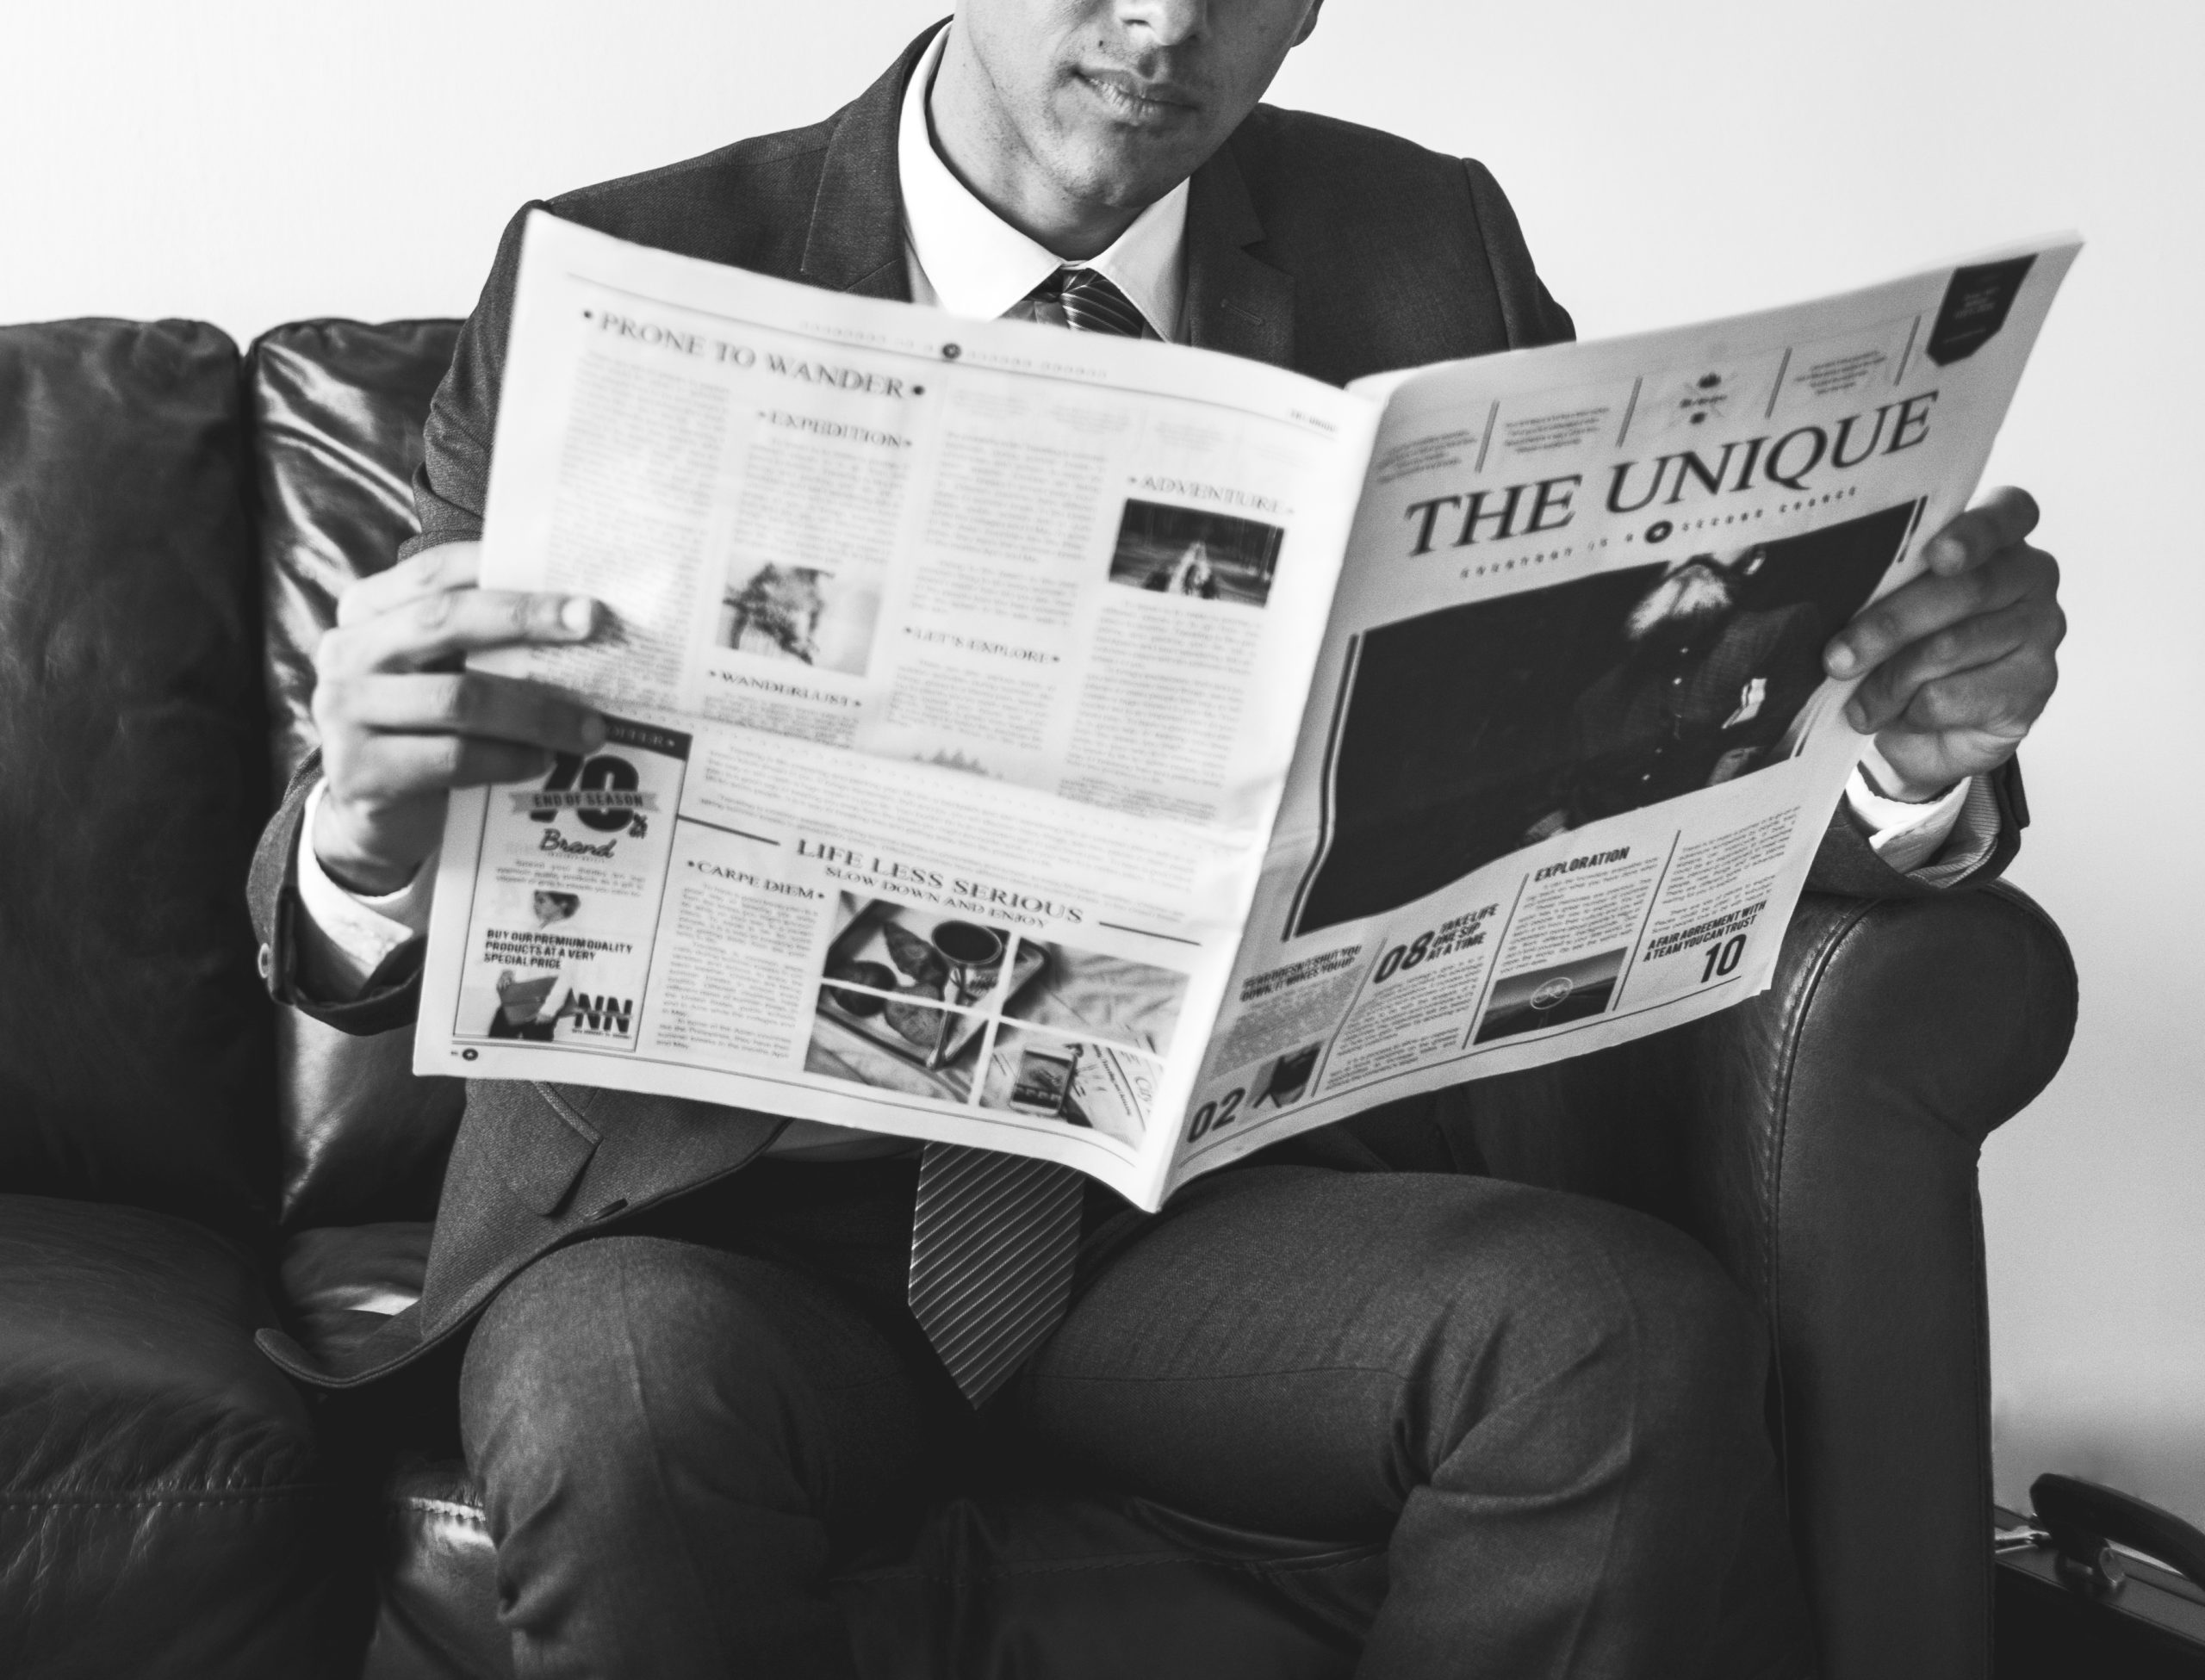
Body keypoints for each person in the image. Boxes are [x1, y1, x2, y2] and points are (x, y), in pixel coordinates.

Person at [248, 3, 2068, 1676]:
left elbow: (1627, 743)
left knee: (1618, 1334)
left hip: (1210, 1222)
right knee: (612, 1385)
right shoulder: (626, 263)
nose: (1162, 24)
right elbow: (367, 867)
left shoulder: (1422, 243)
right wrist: (363, 813)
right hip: (727, 1226)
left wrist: (1898, 762)